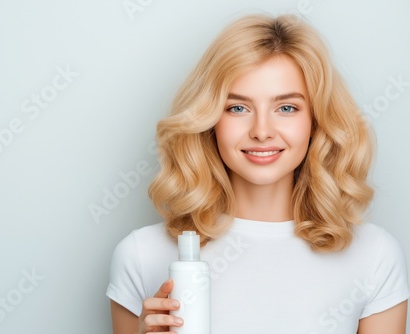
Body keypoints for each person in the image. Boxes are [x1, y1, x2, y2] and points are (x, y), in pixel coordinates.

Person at [106, 14, 410, 333]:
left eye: (286, 108)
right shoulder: (142, 254)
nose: (262, 132)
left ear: (316, 121)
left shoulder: (374, 256)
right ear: (210, 121)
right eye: (238, 108)